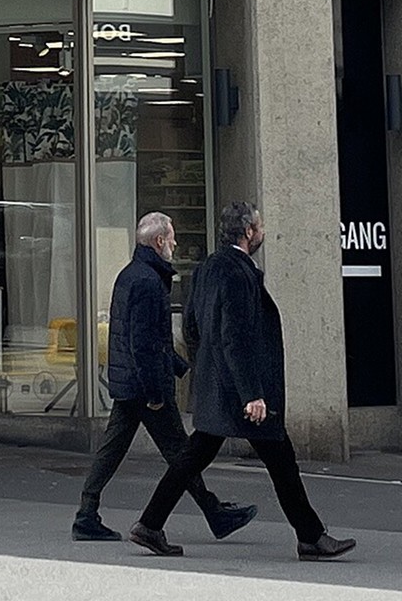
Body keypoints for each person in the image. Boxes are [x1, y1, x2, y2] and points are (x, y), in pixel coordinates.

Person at [134, 203, 352, 560]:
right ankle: (311, 537)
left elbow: (192, 328)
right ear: (249, 232)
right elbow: (234, 335)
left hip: (218, 385)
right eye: (260, 226)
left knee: (194, 457)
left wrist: (207, 367)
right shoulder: (238, 272)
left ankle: (150, 524)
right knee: (280, 459)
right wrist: (252, 393)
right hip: (241, 390)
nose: (263, 231)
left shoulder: (206, 269)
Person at [71, 213, 251, 543]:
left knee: (118, 451)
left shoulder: (133, 275)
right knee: (182, 453)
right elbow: (142, 343)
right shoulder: (147, 281)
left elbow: (146, 339)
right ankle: (211, 513)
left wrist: (181, 366)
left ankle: (87, 513)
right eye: (172, 237)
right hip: (145, 387)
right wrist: (156, 391)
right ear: (159, 242)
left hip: (133, 384)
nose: (175, 243)